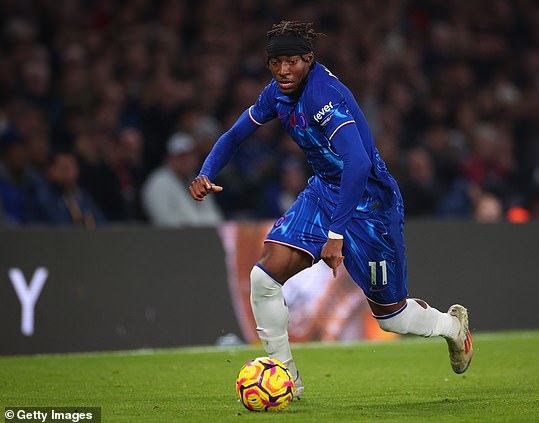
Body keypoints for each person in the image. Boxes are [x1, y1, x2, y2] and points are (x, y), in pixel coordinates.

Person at [188, 21, 473, 397]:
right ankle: (287, 378)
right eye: (276, 62)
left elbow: (357, 164)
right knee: (263, 278)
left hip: (369, 206)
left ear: (309, 60)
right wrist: (206, 172)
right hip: (324, 192)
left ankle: (452, 328)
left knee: (393, 318)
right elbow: (235, 135)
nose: (283, 70)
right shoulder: (276, 93)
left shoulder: (324, 97)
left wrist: (336, 234)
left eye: (292, 61)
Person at [143, 132, 224, 227]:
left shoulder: (199, 180)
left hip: (202, 236)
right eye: (181, 156)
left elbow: (215, 215)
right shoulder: (158, 182)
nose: (186, 160)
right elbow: (163, 219)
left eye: (190, 156)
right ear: (170, 158)